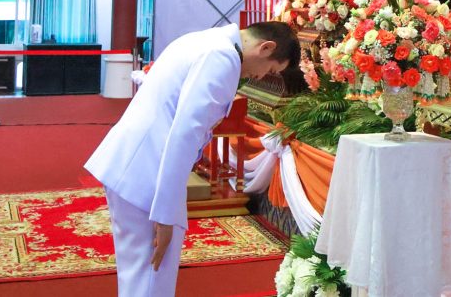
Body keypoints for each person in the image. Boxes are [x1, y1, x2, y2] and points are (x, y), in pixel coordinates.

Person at [85, 21, 300, 297]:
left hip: (135, 165)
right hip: (149, 173)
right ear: (266, 47)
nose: (260, 77)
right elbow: (184, 135)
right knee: (150, 278)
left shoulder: (203, 40)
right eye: (269, 70)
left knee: (138, 274)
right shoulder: (222, 58)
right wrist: (165, 214)